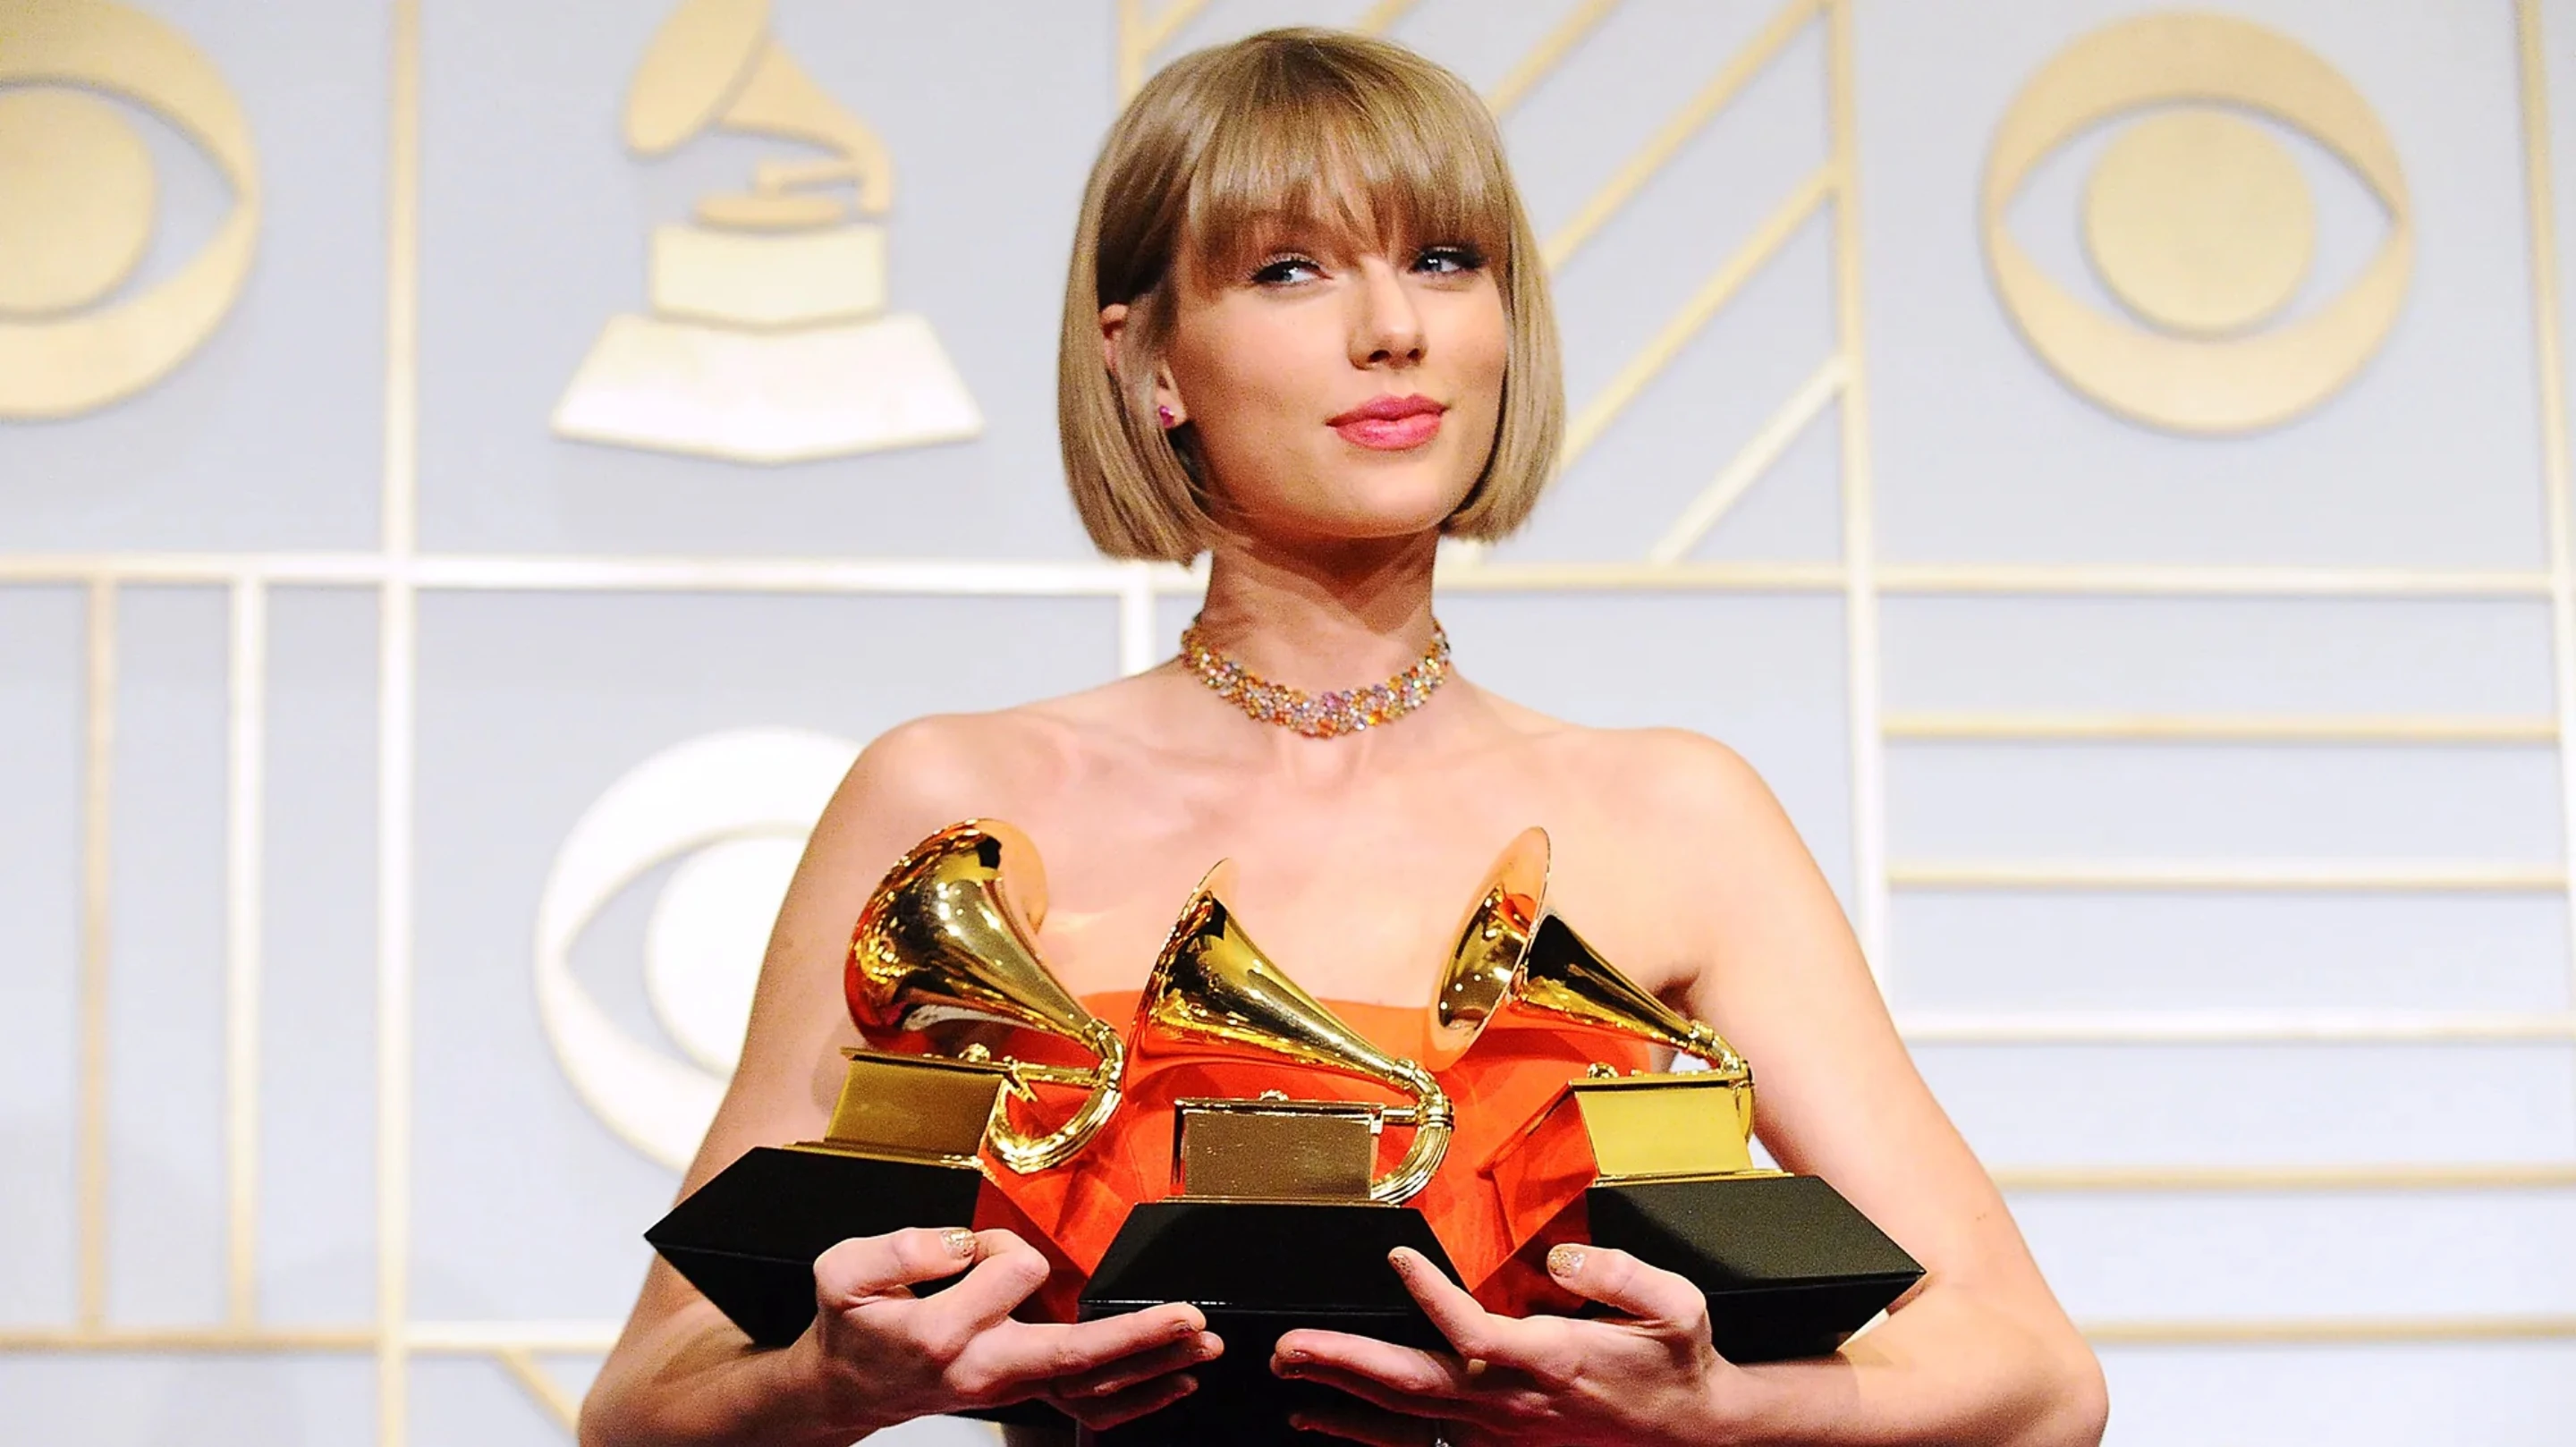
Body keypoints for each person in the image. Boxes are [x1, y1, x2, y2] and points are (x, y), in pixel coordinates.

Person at [580, 27, 2109, 1447]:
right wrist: (831, 1381)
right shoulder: (952, 802)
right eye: (1291, 271)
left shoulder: (1675, 814)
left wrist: (1717, 1407)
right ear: (1148, 360)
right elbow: (646, 1397)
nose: (1393, 329)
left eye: (1445, 260)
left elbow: (2039, 1377)